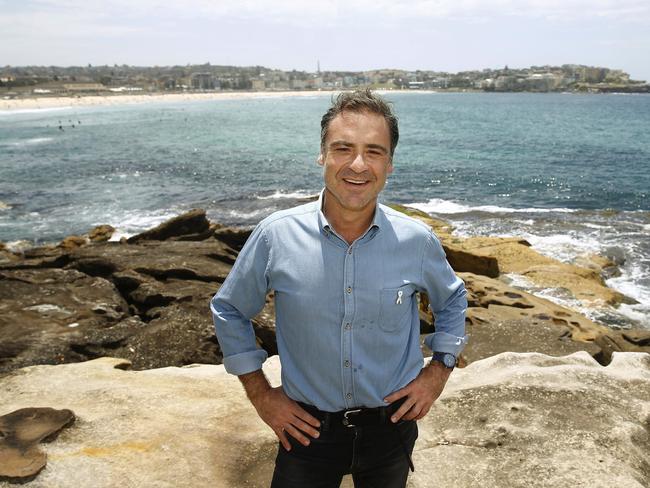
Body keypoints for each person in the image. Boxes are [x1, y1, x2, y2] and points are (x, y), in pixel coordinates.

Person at [211, 89, 467, 488]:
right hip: (306, 430)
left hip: (391, 428)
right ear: (322, 155)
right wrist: (262, 396)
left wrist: (438, 372)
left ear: (390, 164)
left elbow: (452, 298)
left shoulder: (417, 241)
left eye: (374, 151)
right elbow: (229, 310)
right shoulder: (275, 236)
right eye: (343, 148)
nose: (359, 165)